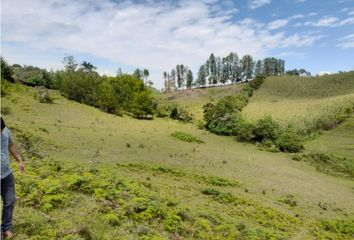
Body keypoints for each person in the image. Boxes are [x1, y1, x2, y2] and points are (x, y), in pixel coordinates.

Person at [1, 117, 25, 238]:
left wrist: (19, 161)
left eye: (1, 130)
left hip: (6, 174)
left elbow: (11, 145)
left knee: (10, 201)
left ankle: (6, 228)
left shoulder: (5, 131)